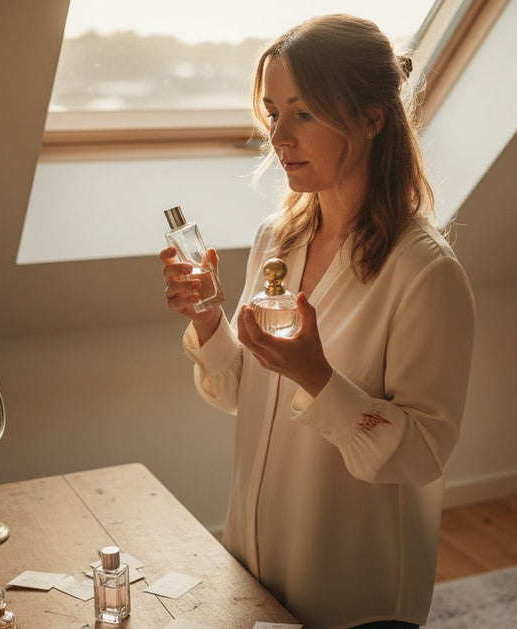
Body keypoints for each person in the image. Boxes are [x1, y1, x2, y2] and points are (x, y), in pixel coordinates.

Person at [160, 14, 475, 629]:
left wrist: (318, 377)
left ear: (370, 118)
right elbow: (240, 395)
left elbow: (422, 454)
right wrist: (206, 315)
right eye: (274, 113)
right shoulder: (276, 239)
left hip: (354, 590)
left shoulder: (424, 272)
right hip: (253, 562)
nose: (280, 137)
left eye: (303, 113)